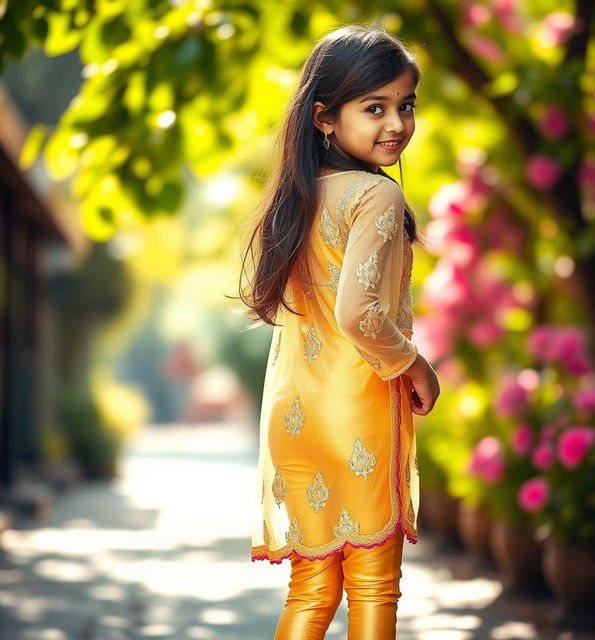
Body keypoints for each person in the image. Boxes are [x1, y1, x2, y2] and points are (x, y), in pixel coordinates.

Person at [237, 23, 440, 640]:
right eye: (374, 108)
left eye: (405, 105)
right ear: (325, 118)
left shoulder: (297, 198)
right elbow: (359, 315)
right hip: (356, 414)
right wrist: (416, 365)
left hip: (295, 417)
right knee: (374, 587)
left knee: (312, 590)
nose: (396, 124)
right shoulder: (373, 196)